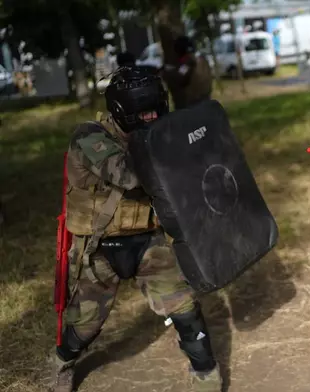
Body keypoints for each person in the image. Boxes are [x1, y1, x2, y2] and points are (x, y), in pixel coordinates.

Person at [48, 67, 220, 392]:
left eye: (156, 111)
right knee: (83, 327)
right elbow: (130, 175)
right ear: (120, 110)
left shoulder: (159, 133)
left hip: (148, 242)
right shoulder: (89, 138)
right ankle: (61, 362)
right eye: (144, 113)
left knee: (184, 309)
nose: (151, 119)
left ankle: (207, 376)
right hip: (99, 249)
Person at [162, 35, 212, 110]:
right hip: (206, 101)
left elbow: (181, 76)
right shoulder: (202, 59)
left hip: (195, 105)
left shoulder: (188, 61)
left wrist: (166, 73)